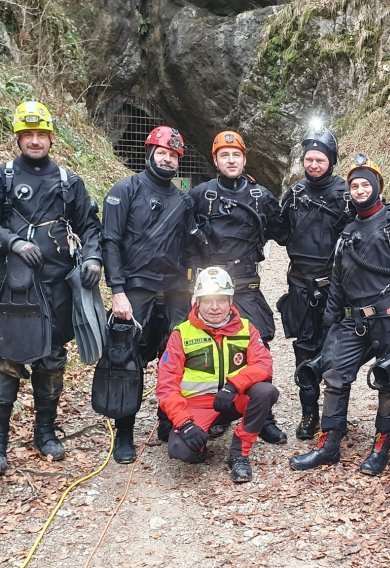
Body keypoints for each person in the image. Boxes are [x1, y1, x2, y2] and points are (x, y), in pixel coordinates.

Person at [273, 124, 390, 440]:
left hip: (337, 287)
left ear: (331, 161)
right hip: (300, 286)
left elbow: (376, 209)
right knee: (305, 353)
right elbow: (278, 230)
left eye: (320, 160)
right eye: (309, 159)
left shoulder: (346, 192)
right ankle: (310, 417)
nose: (313, 165)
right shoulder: (293, 195)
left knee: (335, 352)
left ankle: (333, 420)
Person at [289, 154, 390, 476]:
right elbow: (338, 277)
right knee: (335, 376)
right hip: (354, 320)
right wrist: (330, 316)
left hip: (388, 319)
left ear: (377, 187)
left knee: (387, 381)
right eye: (355, 185)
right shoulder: (348, 230)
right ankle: (328, 445)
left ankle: (381, 448)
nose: (360, 189)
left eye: (366, 184)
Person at [0, 101, 102, 473]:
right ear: (19, 137)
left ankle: (44, 433)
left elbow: (91, 226)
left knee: (51, 360)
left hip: (57, 288)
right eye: (28, 135)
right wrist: (12, 242)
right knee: (6, 362)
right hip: (13, 289)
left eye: (41, 134)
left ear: (51, 138)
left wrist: (92, 258)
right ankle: (0, 445)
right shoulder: (5, 176)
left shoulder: (68, 182)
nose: (35, 141)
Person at [101, 125, 195, 463]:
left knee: (177, 357)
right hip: (136, 288)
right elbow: (110, 241)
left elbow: (189, 247)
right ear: (149, 154)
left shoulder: (184, 201)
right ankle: (124, 433)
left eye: (173, 155)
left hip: (174, 290)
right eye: (162, 153)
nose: (167, 159)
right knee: (127, 360)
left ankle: (168, 420)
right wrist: (118, 291)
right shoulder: (125, 190)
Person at [186, 130, 286, 445]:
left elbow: (285, 232)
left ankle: (263, 416)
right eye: (224, 155)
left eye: (236, 155)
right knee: (209, 349)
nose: (231, 160)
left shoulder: (261, 196)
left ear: (244, 158)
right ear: (215, 160)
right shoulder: (200, 194)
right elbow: (180, 235)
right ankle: (214, 410)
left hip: (246, 284)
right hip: (213, 288)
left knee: (259, 347)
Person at [156, 267, 279, 482]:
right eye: (208, 301)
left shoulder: (247, 328)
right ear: (197, 302)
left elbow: (263, 365)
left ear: (230, 301)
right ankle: (202, 438)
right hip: (197, 405)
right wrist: (184, 423)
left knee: (265, 391)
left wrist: (232, 386)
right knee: (181, 451)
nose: (215, 307)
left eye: (221, 300)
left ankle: (239, 454)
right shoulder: (181, 334)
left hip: (232, 399)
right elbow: (167, 386)